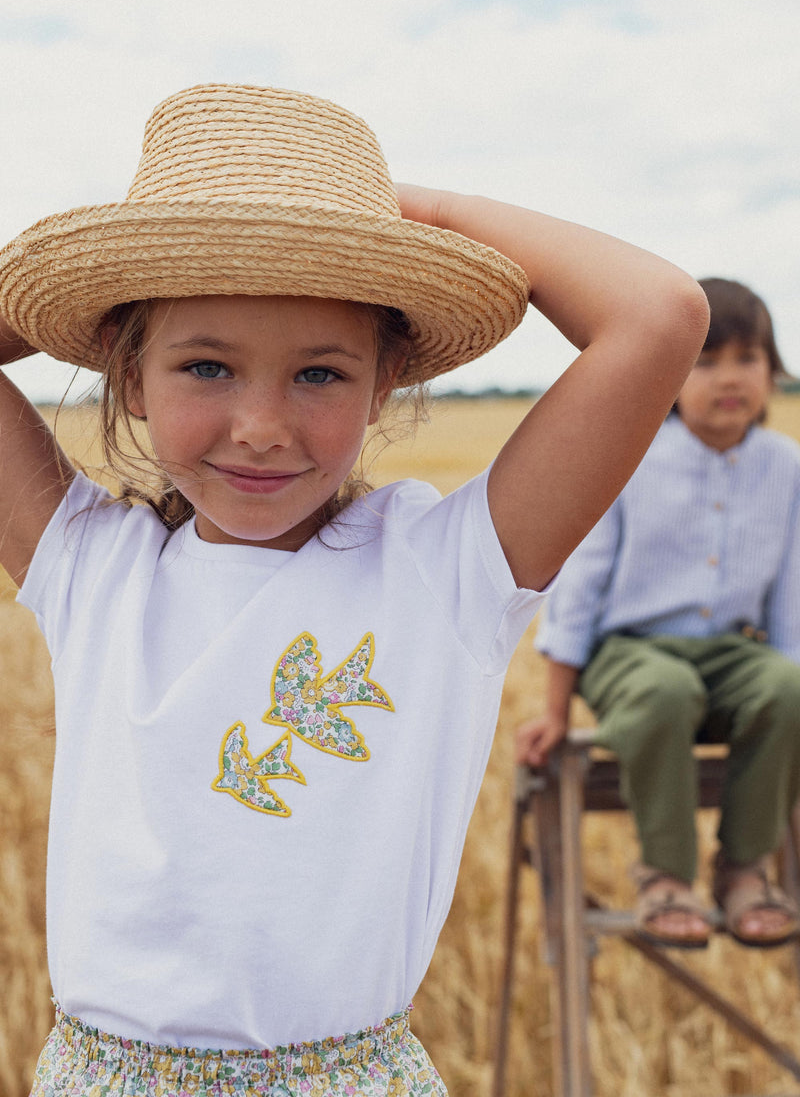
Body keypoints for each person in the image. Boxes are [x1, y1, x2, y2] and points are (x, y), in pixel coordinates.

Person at [0, 82, 707, 1097]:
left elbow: (657, 313)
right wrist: (106, 274)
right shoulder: (90, 568)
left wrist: (406, 215)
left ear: (386, 385)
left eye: (320, 375)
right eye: (203, 366)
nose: (260, 425)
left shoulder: (445, 573)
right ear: (127, 379)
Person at [517, 278, 800, 950]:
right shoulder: (632, 457)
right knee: (667, 690)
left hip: (734, 653)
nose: (728, 378)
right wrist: (556, 710)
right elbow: (580, 584)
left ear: (773, 370)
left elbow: (790, 600)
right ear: (670, 376)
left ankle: (743, 869)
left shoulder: (786, 467)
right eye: (705, 361)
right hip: (630, 655)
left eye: (747, 359)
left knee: (788, 687)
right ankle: (666, 876)